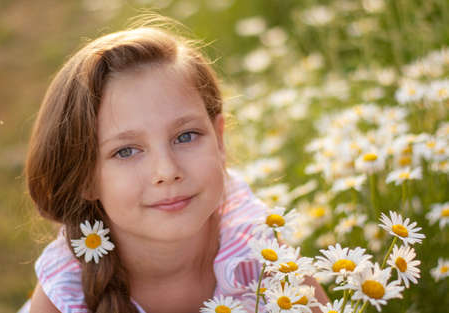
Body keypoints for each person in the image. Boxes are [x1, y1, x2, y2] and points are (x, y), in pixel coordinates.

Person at [20, 15, 327, 313]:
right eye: (126, 151)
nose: (167, 172)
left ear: (219, 140)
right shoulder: (66, 291)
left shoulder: (256, 247)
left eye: (186, 136)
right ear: (84, 178)